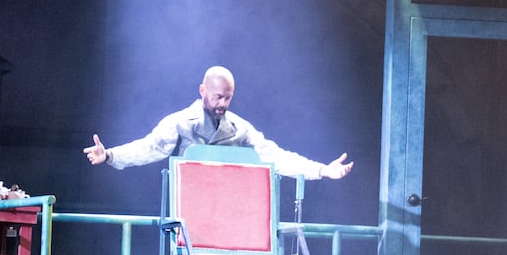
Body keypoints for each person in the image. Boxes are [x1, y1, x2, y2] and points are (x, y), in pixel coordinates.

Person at [83, 65, 354, 181]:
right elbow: (149, 148)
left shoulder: (240, 129)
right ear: (202, 91)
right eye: (217, 97)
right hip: (189, 214)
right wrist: (109, 155)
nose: (223, 103)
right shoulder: (180, 123)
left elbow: (275, 156)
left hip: (228, 214)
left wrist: (321, 170)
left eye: (228, 98)